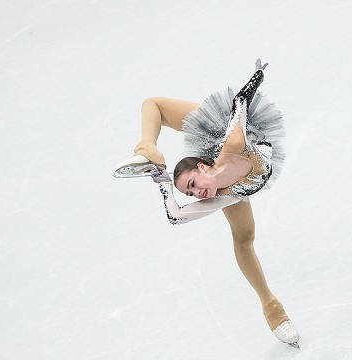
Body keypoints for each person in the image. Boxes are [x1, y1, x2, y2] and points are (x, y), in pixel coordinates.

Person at [113, 59, 299, 348]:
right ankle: (272, 308)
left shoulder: (233, 143)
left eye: (191, 187)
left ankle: (272, 308)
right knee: (244, 239)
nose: (196, 195)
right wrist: (162, 179)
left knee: (158, 105)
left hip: (218, 133)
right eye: (189, 194)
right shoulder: (221, 196)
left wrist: (258, 74)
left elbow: (240, 102)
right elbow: (176, 216)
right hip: (231, 185)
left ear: (202, 169)